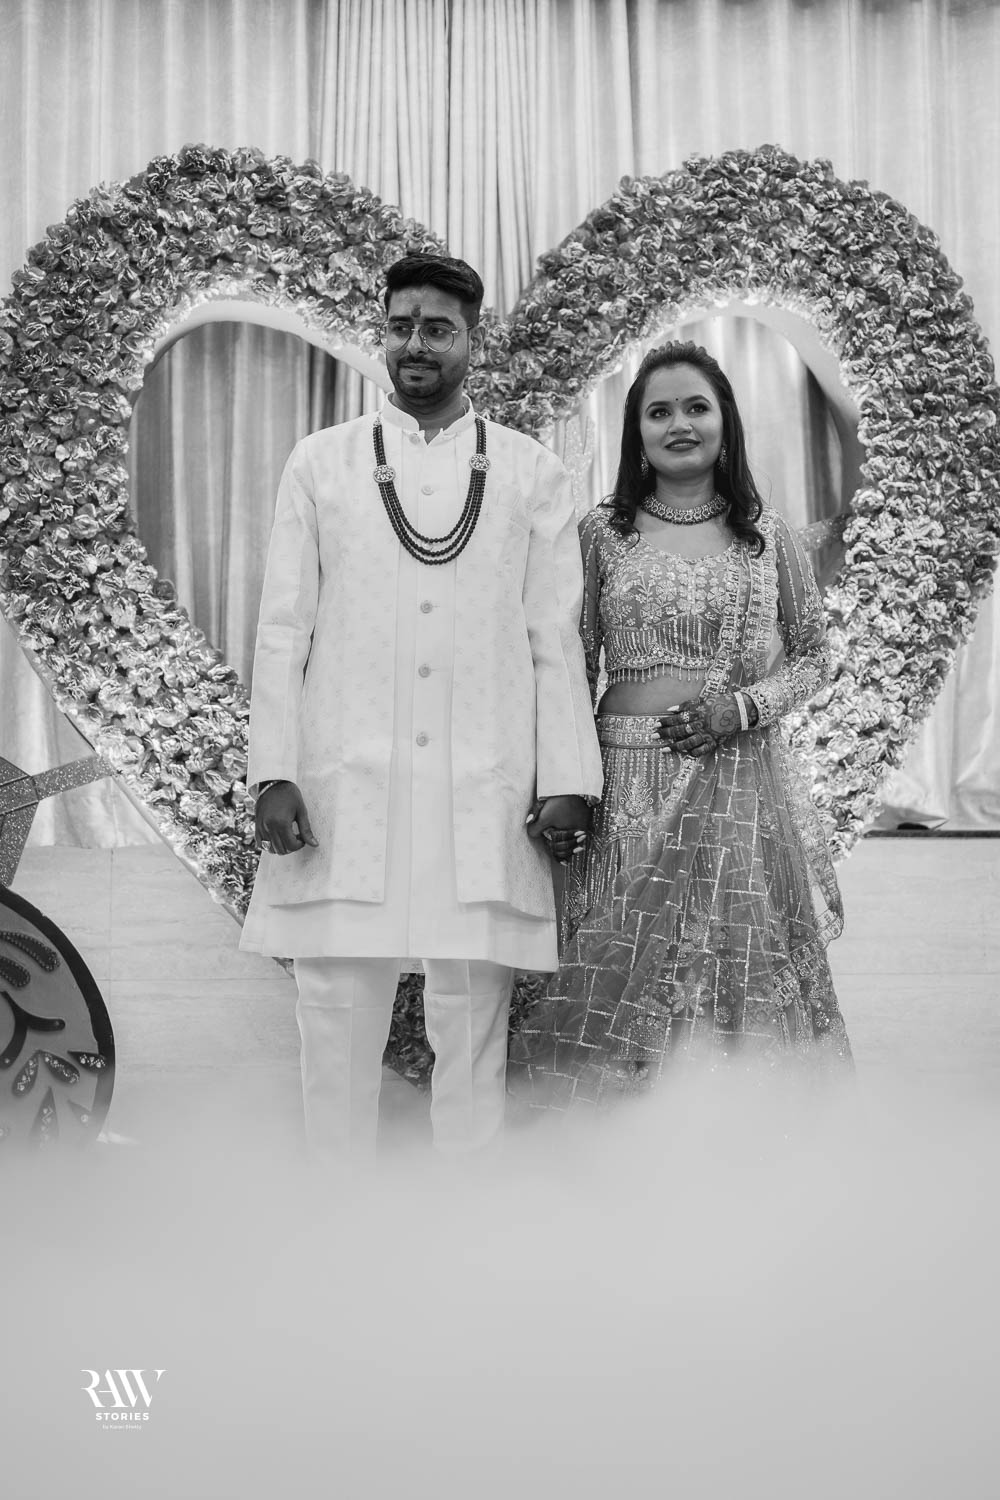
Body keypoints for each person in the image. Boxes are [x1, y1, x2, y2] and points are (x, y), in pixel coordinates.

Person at [239, 253, 602, 1162]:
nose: (416, 344)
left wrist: (569, 780)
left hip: (479, 778)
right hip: (346, 775)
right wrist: (273, 772)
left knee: (473, 1010)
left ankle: (466, 1216)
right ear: (384, 332)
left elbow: (555, 638)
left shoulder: (530, 472)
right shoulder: (321, 462)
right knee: (334, 1004)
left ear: (472, 341)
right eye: (401, 325)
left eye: (437, 328)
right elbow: (281, 630)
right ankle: (334, 1206)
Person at [509, 342, 851, 1108]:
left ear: (726, 419)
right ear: (637, 430)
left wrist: (741, 709)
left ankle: (717, 1134)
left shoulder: (767, 538)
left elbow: (814, 657)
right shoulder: (602, 533)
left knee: (718, 965)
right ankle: (603, 1140)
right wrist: (563, 783)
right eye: (659, 411)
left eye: (696, 406)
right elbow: (570, 667)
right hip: (621, 786)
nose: (679, 424)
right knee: (617, 961)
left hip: (732, 786)